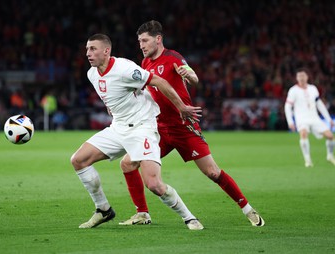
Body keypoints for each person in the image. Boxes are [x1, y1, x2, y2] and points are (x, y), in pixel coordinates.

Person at [119, 20, 265, 227]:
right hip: (158, 129)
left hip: (184, 126)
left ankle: (248, 209)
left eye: (145, 40)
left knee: (212, 172)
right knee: (128, 163)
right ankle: (142, 214)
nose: (141, 45)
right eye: (139, 41)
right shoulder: (145, 64)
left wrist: (190, 74)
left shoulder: (173, 57)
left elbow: (192, 76)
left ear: (158, 39)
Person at [71, 33, 204, 230]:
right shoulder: (92, 74)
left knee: (154, 184)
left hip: (142, 129)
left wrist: (181, 107)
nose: (88, 53)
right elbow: (113, 94)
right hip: (118, 128)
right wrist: (112, 106)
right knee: (78, 160)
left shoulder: (125, 68)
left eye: (93, 49)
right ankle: (103, 209)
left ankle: (189, 217)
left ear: (106, 51)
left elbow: (159, 82)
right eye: (87, 49)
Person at [284, 69, 335, 167]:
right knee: (303, 134)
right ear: (297, 78)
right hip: (301, 118)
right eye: (299, 76)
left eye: (303, 76)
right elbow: (287, 106)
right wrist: (290, 121)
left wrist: (328, 119)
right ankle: (308, 160)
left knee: (330, 136)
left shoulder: (313, 88)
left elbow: (319, 104)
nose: (302, 78)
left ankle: (330, 156)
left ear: (307, 77)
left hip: (314, 118)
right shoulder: (293, 90)